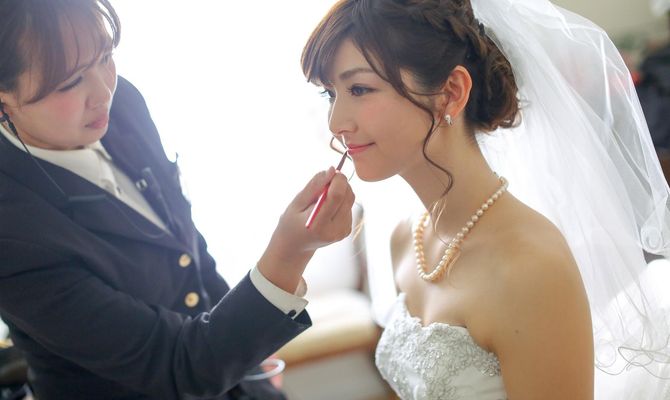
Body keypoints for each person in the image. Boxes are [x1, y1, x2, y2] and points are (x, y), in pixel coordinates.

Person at [302, 0, 670, 399]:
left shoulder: (530, 265)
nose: (336, 123)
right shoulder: (406, 238)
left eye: (359, 89)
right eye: (330, 94)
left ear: (451, 93)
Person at [0, 1, 356, 399]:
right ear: (4, 96)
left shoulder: (122, 106)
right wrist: (289, 253)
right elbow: (176, 366)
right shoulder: (11, 232)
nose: (102, 92)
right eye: (70, 83)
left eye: (105, 57)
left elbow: (187, 252)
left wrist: (247, 358)